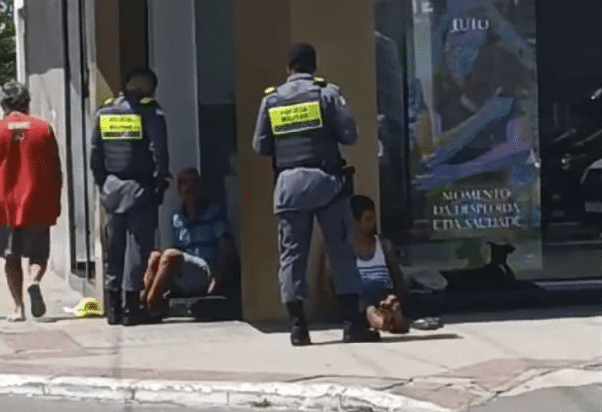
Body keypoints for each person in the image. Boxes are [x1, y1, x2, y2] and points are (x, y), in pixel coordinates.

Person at [252, 42, 378, 346]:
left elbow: (260, 146)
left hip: (288, 186)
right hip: (326, 182)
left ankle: (298, 328)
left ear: (288, 68)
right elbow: (349, 134)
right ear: (314, 66)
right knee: (341, 250)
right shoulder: (327, 93)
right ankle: (351, 324)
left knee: (292, 255)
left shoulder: (271, 100)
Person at [90, 67, 171, 326]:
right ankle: (132, 308)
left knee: (114, 249)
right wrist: (159, 184)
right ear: (148, 86)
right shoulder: (151, 112)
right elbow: (159, 152)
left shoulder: (105, 111)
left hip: (112, 189)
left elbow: (95, 155)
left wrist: (105, 184)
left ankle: (113, 308)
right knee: (138, 250)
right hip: (140, 188)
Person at [321, 195, 444, 333]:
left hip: (381, 297)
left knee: (387, 302)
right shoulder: (339, 249)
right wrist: (343, 310)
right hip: (358, 304)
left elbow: (398, 279)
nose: (373, 223)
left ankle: (392, 315)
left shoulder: (384, 245)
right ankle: (386, 321)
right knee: (368, 307)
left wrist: (396, 298)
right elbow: (328, 285)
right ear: (353, 222)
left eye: (374, 218)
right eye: (368, 219)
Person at [140, 167, 239, 319]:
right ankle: (144, 302)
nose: (190, 189)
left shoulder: (213, 213)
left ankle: (151, 303)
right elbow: (176, 253)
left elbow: (227, 250)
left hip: (205, 271)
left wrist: (216, 280)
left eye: (194, 185)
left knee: (170, 255)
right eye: (185, 185)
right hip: (184, 271)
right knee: (155, 255)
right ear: (180, 191)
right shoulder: (176, 218)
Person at [0, 80, 62, 321]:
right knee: (38, 254)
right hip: (37, 202)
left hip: (5, 206)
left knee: (10, 257)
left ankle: (18, 308)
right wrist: (55, 200)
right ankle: (33, 280)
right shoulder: (43, 128)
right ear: (27, 101)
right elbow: (56, 168)